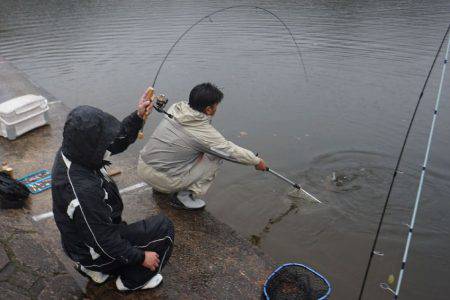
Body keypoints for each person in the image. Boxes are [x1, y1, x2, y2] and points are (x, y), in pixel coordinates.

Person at [52, 89, 174, 291]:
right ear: (92, 145)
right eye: (102, 139)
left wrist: (138, 116)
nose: (107, 143)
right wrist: (142, 257)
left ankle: (94, 268)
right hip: (94, 250)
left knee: (103, 231)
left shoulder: (73, 152)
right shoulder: (82, 190)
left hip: (80, 242)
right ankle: (130, 281)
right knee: (164, 228)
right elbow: (104, 240)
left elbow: (115, 143)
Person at [138, 82, 267, 210]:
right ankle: (184, 197)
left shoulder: (175, 108)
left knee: (191, 148)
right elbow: (230, 151)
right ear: (209, 109)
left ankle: (159, 187)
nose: (217, 109)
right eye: (216, 106)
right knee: (215, 155)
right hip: (163, 180)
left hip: (143, 168)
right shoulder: (204, 133)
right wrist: (256, 161)